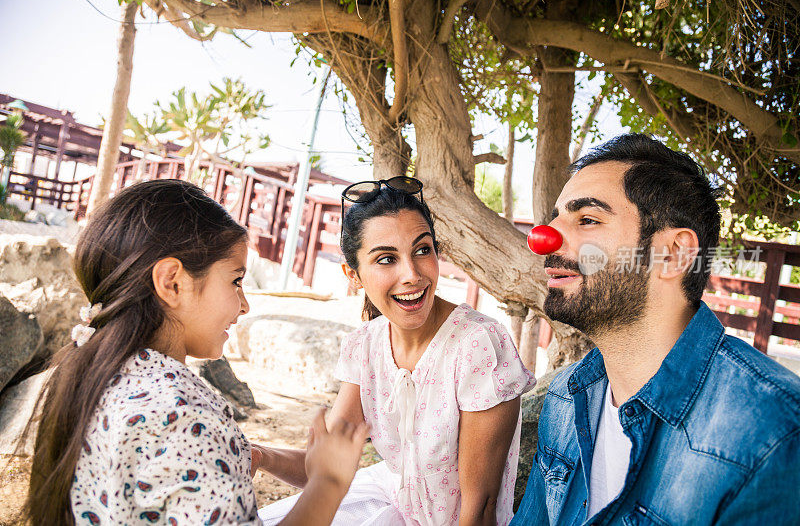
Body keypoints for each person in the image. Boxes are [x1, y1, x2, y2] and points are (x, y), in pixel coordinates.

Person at [24, 179, 369, 525]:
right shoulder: (183, 415)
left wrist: (259, 456)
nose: (244, 305)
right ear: (173, 282)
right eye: (235, 280)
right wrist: (328, 482)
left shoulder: (99, 376)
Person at [511, 134, 800, 525]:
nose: (544, 242)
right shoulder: (566, 398)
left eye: (588, 219)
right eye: (556, 219)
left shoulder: (774, 435)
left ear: (674, 253)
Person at [257, 177, 536, 526]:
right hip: (389, 502)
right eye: (387, 259)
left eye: (423, 250)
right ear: (353, 274)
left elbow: (479, 510)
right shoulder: (366, 345)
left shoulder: (477, 345)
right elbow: (324, 471)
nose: (412, 275)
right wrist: (259, 455)